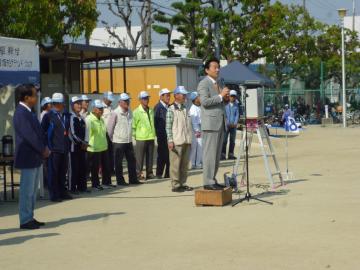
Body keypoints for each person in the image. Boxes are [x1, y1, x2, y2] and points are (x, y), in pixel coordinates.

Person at [14, 84, 50, 229]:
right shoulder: (21, 113)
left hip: (34, 156)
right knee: (27, 190)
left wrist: (44, 147)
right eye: (34, 95)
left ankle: (30, 216)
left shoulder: (29, 112)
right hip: (28, 156)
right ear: (26, 97)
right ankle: (25, 220)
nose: (36, 98)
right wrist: (42, 149)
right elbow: (29, 136)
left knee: (32, 190)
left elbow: (38, 134)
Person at [197, 57, 229, 190]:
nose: (217, 69)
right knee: (209, 154)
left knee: (216, 155)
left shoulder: (218, 83)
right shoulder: (203, 84)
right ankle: (207, 181)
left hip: (220, 122)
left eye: (218, 67)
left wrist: (225, 99)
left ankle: (213, 179)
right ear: (207, 70)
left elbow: (219, 102)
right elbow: (204, 102)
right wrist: (221, 96)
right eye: (214, 67)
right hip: (210, 124)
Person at [41, 92, 72, 202]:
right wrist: (45, 147)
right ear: (53, 104)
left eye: (61, 103)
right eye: (56, 103)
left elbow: (68, 132)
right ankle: (54, 195)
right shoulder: (48, 116)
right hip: (53, 149)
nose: (59, 105)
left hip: (64, 148)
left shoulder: (66, 115)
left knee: (63, 172)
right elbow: (42, 133)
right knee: (53, 173)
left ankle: (62, 192)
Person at [107, 93, 142, 186]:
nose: (127, 102)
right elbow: (109, 129)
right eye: (125, 101)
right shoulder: (115, 113)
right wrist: (113, 140)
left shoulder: (130, 112)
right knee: (118, 163)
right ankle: (120, 181)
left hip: (128, 141)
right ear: (120, 102)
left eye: (128, 100)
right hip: (118, 142)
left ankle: (133, 179)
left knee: (131, 161)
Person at [166, 86, 193, 192]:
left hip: (186, 140)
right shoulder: (171, 109)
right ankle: (175, 184)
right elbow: (168, 127)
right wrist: (170, 140)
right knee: (175, 164)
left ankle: (182, 182)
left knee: (184, 164)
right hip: (176, 141)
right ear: (176, 95)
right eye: (183, 94)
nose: (185, 96)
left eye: (185, 94)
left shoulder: (185, 108)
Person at [85, 99, 114, 190]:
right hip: (94, 148)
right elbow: (87, 135)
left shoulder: (101, 119)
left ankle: (106, 182)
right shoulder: (89, 119)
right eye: (99, 109)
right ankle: (95, 184)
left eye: (101, 108)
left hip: (103, 147)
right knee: (95, 168)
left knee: (106, 166)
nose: (101, 110)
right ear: (93, 109)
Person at [133, 91, 156, 180]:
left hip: (150, 137)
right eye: (144, 98)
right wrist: (135, 136)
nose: (147, 100)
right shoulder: (136, 112)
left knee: (150, 157)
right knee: (139, 158)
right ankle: (139, 174)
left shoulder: (151, 110)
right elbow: (133, 126)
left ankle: (149, 173)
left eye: (147, 98)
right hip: (141, 138)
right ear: (140, 100)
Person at [69, 96, 89, 194]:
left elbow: (86, 132)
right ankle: (73, 188)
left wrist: (86, 142)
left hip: (83, 147)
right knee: (74, 168)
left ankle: (82, 187)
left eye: (80, 103)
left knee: (83, 167)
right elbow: (72, 133)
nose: (79, 105)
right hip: (75, 147)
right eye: (77, 103)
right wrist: (81, 143)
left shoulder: (82, 118)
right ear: (72, 105)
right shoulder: (71, 117)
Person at [154, 88, 171, 178]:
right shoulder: (158, 107)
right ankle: (159, 173)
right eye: (166, 95)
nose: (168, 97)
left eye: (169, 95)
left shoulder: (169, 106)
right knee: (162, 155)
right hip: (162, 135)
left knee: (169, 155)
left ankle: (168, 173)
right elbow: (155, 122)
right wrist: (159, 134)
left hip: (169, 135)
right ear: (161, 97)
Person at [222, 90, 239, 160]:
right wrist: (226, 123)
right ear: (229, 96)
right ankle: (223, 155)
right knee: (224, 140)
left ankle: (231, 154)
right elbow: (224, 115)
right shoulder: (225, 105)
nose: (233, 97)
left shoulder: (236, 105)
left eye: (234, 96)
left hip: (233, 126)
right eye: (231, 96)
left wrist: (235, 123)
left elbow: (237, 115)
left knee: (232, 141)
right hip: (226, 126)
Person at [188, 92, 202, 169]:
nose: (200, 98)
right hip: (196, 131)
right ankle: (196, 163)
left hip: (199, 130)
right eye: (198, 97)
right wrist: (197, 131)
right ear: (195, 99)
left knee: (197, 147)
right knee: (197, 147)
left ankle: (195, 163)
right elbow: (194, 121)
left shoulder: (198, 107)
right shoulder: (193, 108)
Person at [102, 91, 115, 175]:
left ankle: (111, 169)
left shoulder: (111, 107)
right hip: (104, 133)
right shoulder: (101, 107)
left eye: (111, 100)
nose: (110, 101)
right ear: (104, 98)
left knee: (111, 153)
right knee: (104, 154)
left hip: (111, 134)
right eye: (109, 99)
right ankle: (104, 170)